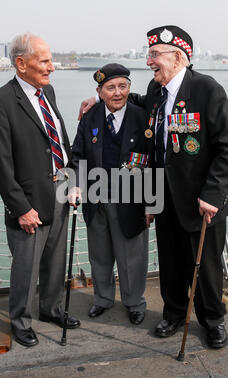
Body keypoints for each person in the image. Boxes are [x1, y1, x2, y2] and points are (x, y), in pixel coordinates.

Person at [78, 26, 228, 348]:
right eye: (149, 54)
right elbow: (136, 100)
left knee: (205, 264)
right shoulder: (156, 91)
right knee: (171, 260)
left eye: (154, 55)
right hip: (164, 195)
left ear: (177, 57)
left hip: (200, 200)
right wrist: (98, 100)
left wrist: (212, 194)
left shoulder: (207, 89)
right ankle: (175, 312)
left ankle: (213, 319)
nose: (149, 61)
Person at [0, 33, 80, 348]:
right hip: (29, 203)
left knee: (54, 260)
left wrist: (72, 179)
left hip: (60, 191)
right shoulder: (0, 102)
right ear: (21, 63)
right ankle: (21, 321)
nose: (52, 67)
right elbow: (1, 163)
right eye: (45, 61)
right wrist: (20, 208)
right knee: (26, 267)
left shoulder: (47, 91)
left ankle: (50, 309)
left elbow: (60, 140)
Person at [70, 63, 152, 325]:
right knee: (100, 255)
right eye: (110, 88)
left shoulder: (143, 117)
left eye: (123, 86)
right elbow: (78, 155)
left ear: (129, 88)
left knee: (132, 258)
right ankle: (102, 299)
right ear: (99, 91)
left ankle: (134, 303)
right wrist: (74, 185)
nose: (117, 93)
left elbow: (155, 162)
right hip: (96, 198)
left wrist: (152, 204)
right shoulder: (90, 118)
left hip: (132, 201)